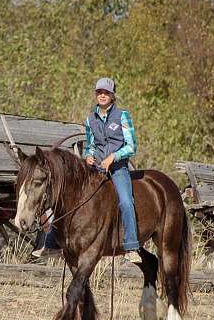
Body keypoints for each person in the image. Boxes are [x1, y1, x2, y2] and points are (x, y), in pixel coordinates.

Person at [32, 77, 140, 262]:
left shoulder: (122, 116)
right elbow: (90, 145)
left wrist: (113, 157)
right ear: (96, 94)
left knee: (125, 201)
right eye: (99, 92)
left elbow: (132, 146)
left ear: (112, 95)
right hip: (95, 168)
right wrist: (88, 155)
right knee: (66, 197)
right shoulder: (90, 120)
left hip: (118, 168)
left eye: (106, 92)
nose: (103, 95)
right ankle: (51, 244)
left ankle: (131, 247)